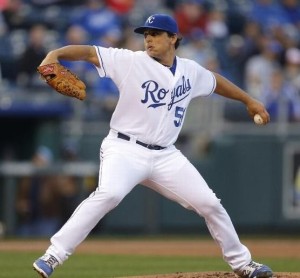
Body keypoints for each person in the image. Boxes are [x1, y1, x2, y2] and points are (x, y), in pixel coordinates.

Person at [33, 14, 273, 278]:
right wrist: (55, 54)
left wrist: (249, 100)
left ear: (173, 38)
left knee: (210, 204)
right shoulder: (131, 62)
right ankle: (52, 256)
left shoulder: (190, 71)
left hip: (166, 156)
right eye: (146, 34)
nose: (148, 39)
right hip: (125, 148)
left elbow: (216, 81)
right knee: (109, 194)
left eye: (156, 34)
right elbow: (90, 52)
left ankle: (242, 263)